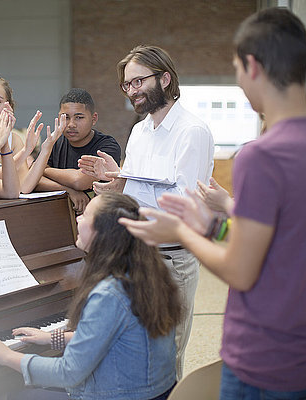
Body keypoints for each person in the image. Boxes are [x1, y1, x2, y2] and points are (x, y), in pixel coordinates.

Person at [119, 8, 306, 399]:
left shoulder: (260, 156)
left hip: (264, 354)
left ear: (252, 66)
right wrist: (218, 223)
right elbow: (284, 240)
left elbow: (242, 271)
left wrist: (182, 230)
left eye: (236, 69)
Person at [78, 45, 214, 379]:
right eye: (127, 84)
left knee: (167, 355)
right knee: (139, 349)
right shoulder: (139, 131)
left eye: (139, 81)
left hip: (172, 256)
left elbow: (184, 207)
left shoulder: (191, 132)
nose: (133, 90)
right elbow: (136, 191)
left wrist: (127, 186)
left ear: (165, 79)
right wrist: (115, 183)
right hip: (137, 254)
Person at [0, 193, 180, 400]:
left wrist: (6, 355)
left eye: (86, 215)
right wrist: (53, 337)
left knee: (12, 394)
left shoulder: (108, 294)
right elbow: (111, 335)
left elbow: (68, 372)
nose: (78, 218)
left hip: (120, 393)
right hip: (155, 392)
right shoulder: (145, 272)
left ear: (102, 233)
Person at [0, 75, 67, 195]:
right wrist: (24, 153)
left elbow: (24, 186)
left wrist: (46, 148)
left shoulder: (14, 140)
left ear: (9, 106)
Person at [35, 88, 121, 214]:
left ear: (94, 118)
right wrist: (68, 191)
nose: (71, 124)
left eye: (79, 117)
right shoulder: (55, 142)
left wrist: (44, 169)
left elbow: (79, 181)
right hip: (60, 217)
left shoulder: (107, 146)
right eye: (66, 117)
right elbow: (32, 179)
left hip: (100, 218)